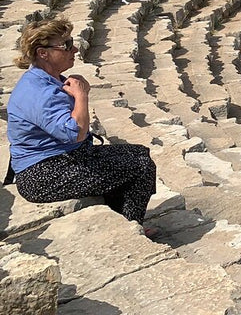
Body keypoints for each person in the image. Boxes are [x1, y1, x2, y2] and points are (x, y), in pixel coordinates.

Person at [6, 17, 157, 227]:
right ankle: (131, 226)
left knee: (139, 152)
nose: (75, 49)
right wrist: (81, 96)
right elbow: (73, 132)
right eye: (66, 45)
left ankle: (120, 217)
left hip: (60, 158)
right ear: (43, 53)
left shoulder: (47, 78)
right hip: (41, 174)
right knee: (141, 166)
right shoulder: (39, 92)